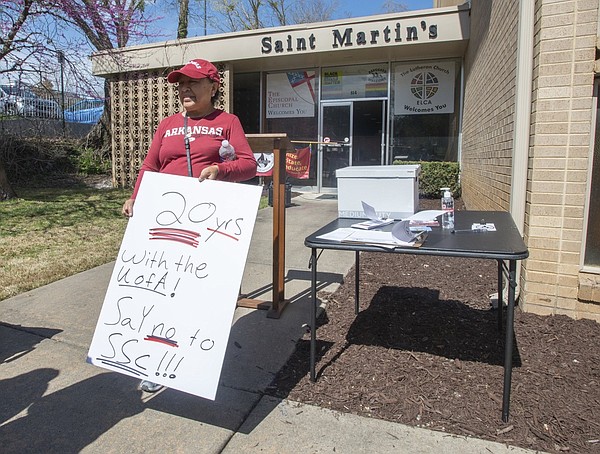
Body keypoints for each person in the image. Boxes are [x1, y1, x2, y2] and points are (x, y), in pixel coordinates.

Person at [121, 59, 257, 393]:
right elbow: (151, 165)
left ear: (213, 87)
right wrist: (135, 198)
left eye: (193, 82)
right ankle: (155, 361)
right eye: (181, 83)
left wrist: (220, 171)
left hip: (206, 222)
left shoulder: (227, 121)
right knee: (161, 290)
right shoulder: (167, 124)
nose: (185, 88)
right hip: (163, 219)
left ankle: (197, 359)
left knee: (197, 294)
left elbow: (249, 165)